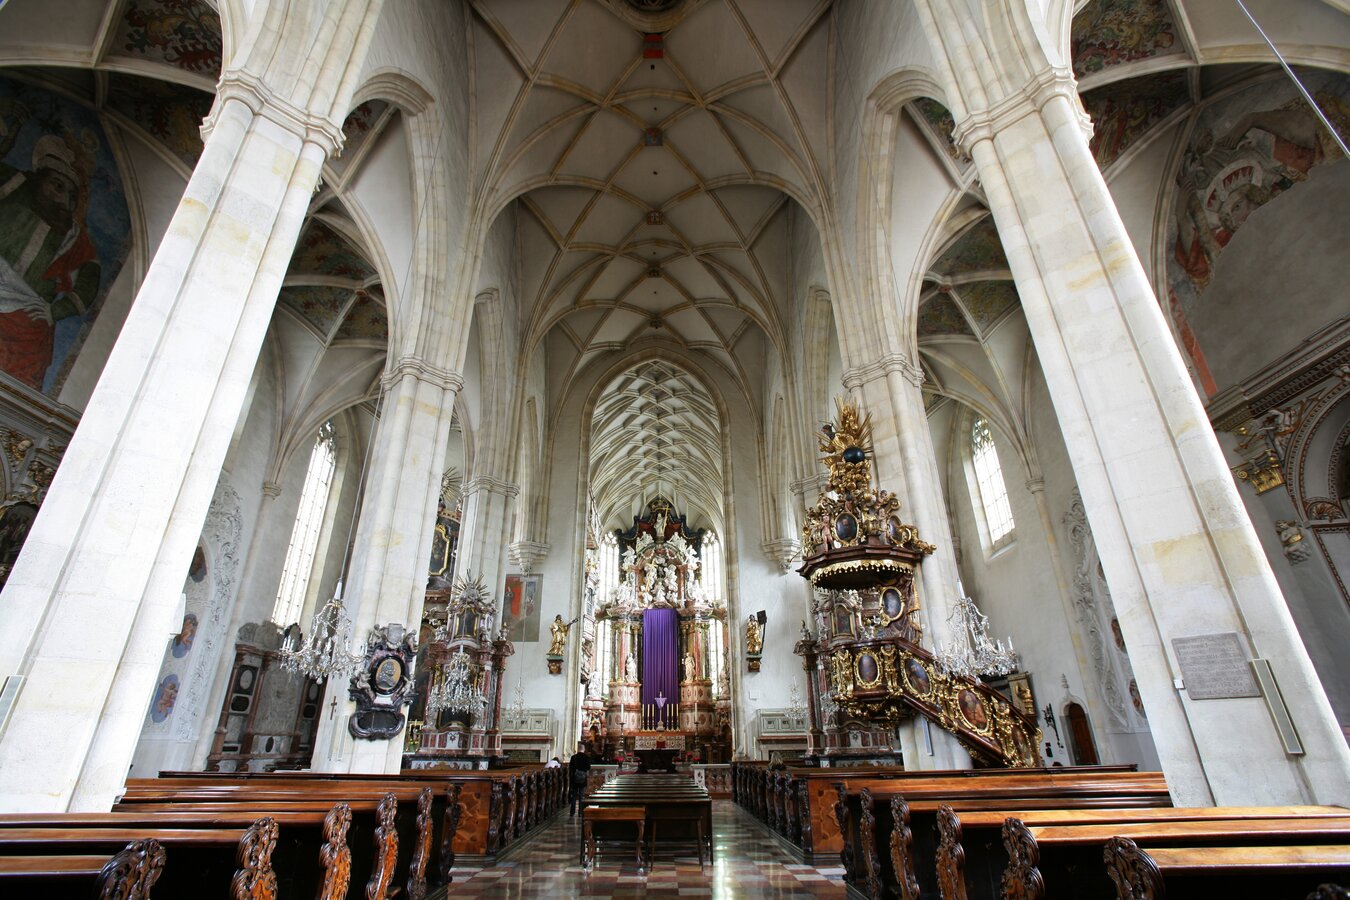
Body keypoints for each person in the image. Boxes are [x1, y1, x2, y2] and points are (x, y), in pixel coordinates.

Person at [568, 742, 592, 816]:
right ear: (584, 749)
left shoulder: (573, 757)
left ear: (578, 749)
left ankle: (572, 812)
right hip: (582, 778)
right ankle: (581, 812)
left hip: (575, 778)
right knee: (581, 795)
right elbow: (588, 767)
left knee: (574, 795)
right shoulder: (586, 757)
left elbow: (570, 768)